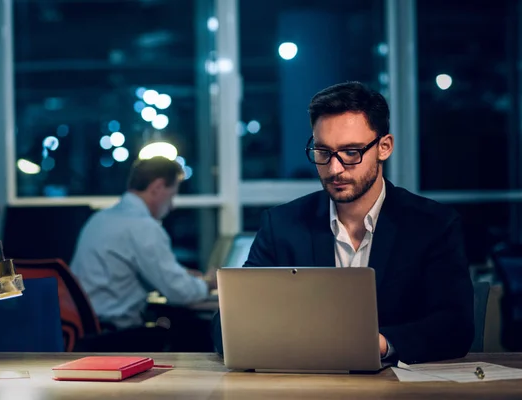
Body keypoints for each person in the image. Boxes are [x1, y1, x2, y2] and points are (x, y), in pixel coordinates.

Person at [212, 81, 474, 364]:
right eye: (323, 152)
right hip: (305, 386)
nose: (334, 168)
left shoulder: (432, 225)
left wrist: (380, 344)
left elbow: (455, 327)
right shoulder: (283, 225)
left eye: (351, 152)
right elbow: (224, 326)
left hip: (400, 388)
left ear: (384, 147)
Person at [71, 156, 216, 341]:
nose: (172, 206)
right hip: (116, 336)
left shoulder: (100, 219)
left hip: (88, 331)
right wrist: (209, 284)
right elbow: (179, 291)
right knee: (195, 335)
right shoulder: (143, 226)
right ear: (157, 187)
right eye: (172, 195)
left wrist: (182, 275)